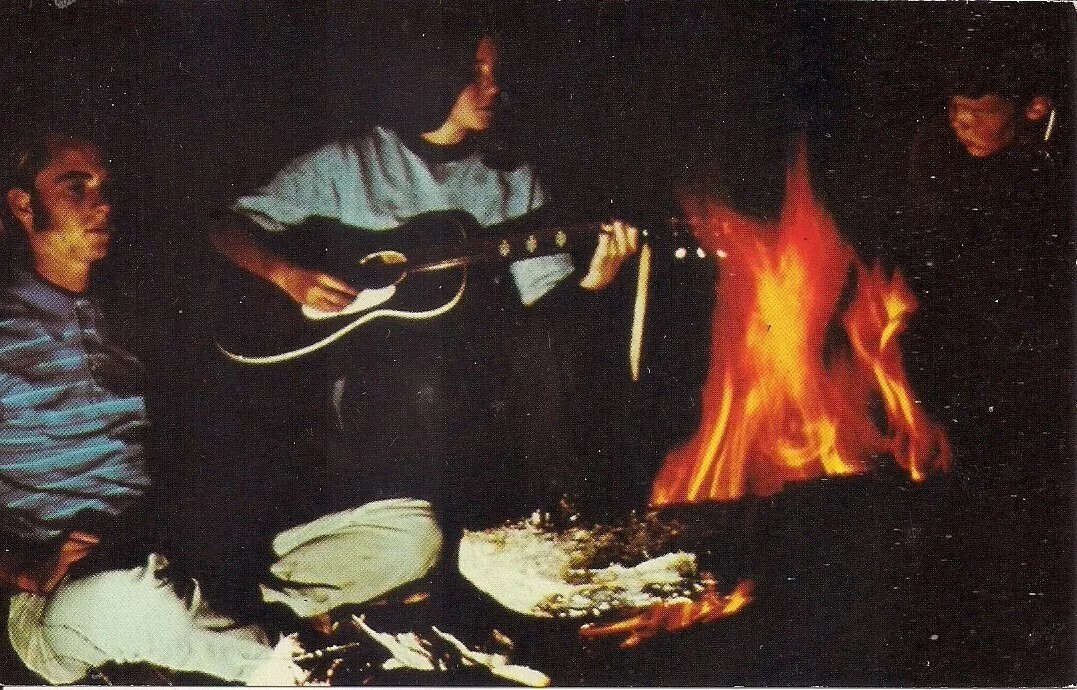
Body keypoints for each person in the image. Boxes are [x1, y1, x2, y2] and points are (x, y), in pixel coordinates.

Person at [0, 132, 443, 684]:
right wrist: (27, 569)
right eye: (76, 188)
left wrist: (288, 277)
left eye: (105, 187)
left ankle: (235, 628)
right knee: (130, 600)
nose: (103, 204)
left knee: (411, 531)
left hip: (177, 553)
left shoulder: (131, 314)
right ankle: (296, 665)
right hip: (67, 597)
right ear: (23, 205)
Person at [209, 19, 640, 530]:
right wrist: (286, 274)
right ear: (436, 73)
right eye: (476, 72)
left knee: (542, 359)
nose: (493, 87)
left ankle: (563, 525)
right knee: (426, 387)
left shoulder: (511, 179)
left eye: (495, 70)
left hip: (484, 384)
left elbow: (545, 309)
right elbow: (225, 227)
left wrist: (594, 283)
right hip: (376, 385)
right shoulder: (350, 165)